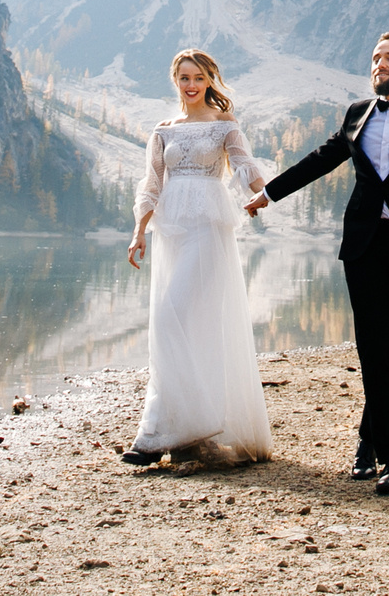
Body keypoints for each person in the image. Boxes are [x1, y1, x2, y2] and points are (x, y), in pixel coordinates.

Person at [245, 32, 389, 495]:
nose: (379, 64)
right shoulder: (357, 114)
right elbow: (320, 159)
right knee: (373, 345)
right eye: (374, 58)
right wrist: (269, 193)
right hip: (364, 246)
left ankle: (366, 442)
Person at [121, 50, 273, 468]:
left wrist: (263, 193)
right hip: (171, 231)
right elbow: (152, 183)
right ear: (176, 80)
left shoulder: (224, 125)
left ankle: (175, 428)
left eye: (199, 78)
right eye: (184, 77)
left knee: (172, 318)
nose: (191, 85)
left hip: (208, 228)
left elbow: (244, 165)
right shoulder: (164, 130)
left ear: (209, 82)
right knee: (178, 324)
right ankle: (173, 425)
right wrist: (139, 232)